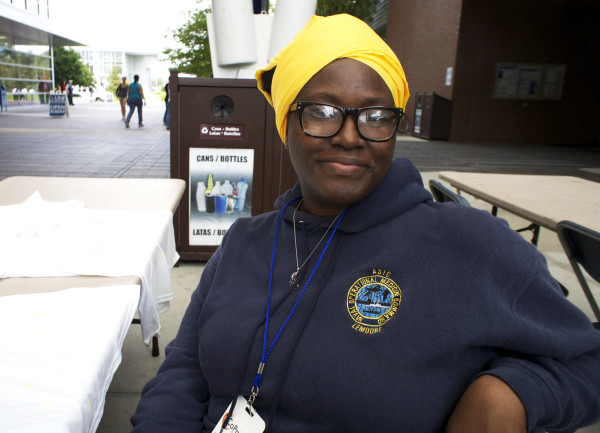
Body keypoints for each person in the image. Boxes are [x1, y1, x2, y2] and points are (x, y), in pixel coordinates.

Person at [130, 14, 600, 433]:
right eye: (322, 112)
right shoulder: (245, 242)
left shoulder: (471, 246)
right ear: (286, 124)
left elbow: (587, 360)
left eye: (376, 116)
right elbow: (186, 370)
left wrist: (509, 395)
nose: (350, 136)